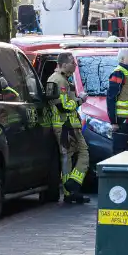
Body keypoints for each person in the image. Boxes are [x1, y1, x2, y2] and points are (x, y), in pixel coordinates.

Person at [45, 53, 90, 204]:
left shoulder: (59, 79)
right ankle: (72, 184)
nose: (75, 66)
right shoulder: (59, 81)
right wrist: (80, 100)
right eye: (73, 63)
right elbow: (64, 106)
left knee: (67, 159)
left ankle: (69, 192)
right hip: (66, 126)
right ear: (64, 64)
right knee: (83, 154)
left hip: (65, 126)